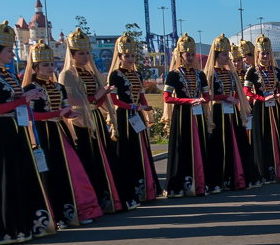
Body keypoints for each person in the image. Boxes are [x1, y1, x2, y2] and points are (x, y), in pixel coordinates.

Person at [23, 40, 104, 228]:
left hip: (59, 132)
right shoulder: (29, 90)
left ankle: (74, 211)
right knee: (48, 173)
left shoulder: (58, 87)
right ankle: (54, 215)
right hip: (41, 133)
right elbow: (31, 115)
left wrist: (69, 113)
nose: (50, 68)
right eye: (45, 65)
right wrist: (56, 114)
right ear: (35, 68)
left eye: (51, 64)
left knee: (69, 171)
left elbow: (65, 108)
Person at [0, 22, 56, 244]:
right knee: (7, 177)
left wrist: (27, 102)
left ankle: (24, 224)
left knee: (21, 176)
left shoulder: (6, 75)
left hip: (16, 129)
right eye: (8, 50)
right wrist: (23, 99)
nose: (12, 54)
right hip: (1, 130)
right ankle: (8, 228)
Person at [60, 26, 123, 214]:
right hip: (79, 122)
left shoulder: (90, 73)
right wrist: (98, 94)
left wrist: (103, 95)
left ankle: (108, 197)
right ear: (72, 54)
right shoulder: (67, 75)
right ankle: (91, 199)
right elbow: (74, 102)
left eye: (87, 52)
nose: (86, 56)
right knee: (88, 159)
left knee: (103, 156)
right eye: (81, 53)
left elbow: (97, 100)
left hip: (95, 117)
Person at [108, 32, 161, 207]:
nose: (130, 59)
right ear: (120, 56)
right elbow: (114, 100)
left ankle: (147, 189)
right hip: (123, 116)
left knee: (141, 150)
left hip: (137, 115)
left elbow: (141, 96)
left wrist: (145, 108)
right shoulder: (115, 75)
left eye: (132, 55)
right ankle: (130, 191)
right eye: (126, 56)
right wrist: (133, 107)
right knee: (128, 152)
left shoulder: (137, 75)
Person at [162, 33, 211, 197]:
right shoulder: (173, 74)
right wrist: (188, 101)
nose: (190, 57)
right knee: (181, 148)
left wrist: (202, 100)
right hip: (182, 116)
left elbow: (207, 96)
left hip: (197, 116)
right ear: (180, 55)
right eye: (187, 54)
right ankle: (179, 185)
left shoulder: (200, 74)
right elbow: (167, 98)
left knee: (200, 146)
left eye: (192, 54)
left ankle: (200, 183)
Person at [205, 34, 256, 192]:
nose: (227, 57)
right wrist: (225, 97)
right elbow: (208, 96)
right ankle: (220, 179)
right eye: (224, 54)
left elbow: (237, 93)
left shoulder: (230, 73)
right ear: (216, 55)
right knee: (219, 145)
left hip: (232, 111)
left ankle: (238, 176)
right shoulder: (210, 74)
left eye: (227, 54)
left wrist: (235, 101)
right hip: (218, 111)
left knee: (237, 142)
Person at [244, 34, 280, 184]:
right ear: (258, 54)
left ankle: (276, 169)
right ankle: (262, 172)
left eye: (268, 53)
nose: (266, 56)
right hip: (260, 109)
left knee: (275, 137)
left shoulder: (276, 70)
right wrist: (261, 98)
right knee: (261, 139)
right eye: (263, 53)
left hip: (273, 108)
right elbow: (246, 91)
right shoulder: (252, 71)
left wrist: (276, 95)